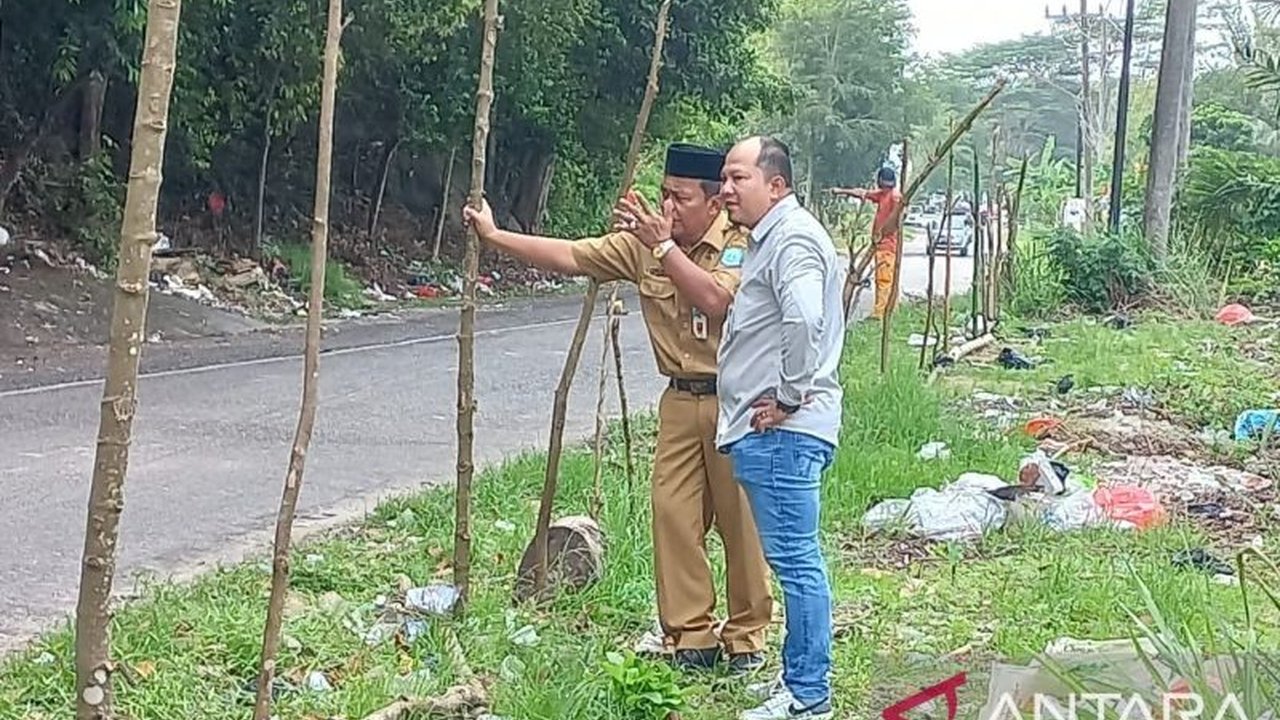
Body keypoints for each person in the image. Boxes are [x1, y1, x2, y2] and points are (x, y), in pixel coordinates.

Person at [461, 143, 773, 674]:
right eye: (664, 196)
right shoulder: (644, 245)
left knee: (741, 522)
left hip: (736, 399)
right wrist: (494, 236)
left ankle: (746, 639)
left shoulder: (743, 245)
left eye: (680, 198)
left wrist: (664, 248)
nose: (667, 208)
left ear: (712, 204)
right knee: (673, 515)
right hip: (679, 400)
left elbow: (718, 302)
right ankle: (691, 635)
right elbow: (573, 255)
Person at [715, 135, 846, 720]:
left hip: (782, 433)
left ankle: (808, 695)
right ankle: (799, 681)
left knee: (795, 562)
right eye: (724, 178)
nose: (725, 190)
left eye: (738, 178)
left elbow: (804, 317)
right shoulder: (770, 240)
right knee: (794, 560)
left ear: (776, 184)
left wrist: (790, 397)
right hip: (776, 432)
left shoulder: (791, 238)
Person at [830, 165, 902, 319]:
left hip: (887, 246)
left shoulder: (895, 198)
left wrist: (882, 234)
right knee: (882, 279)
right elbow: (862, 193)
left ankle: (881, 313)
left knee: (884, 280)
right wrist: (842, 191)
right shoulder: (883, 195)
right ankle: (886, 310)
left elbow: (896, 221)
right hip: (880, 244)